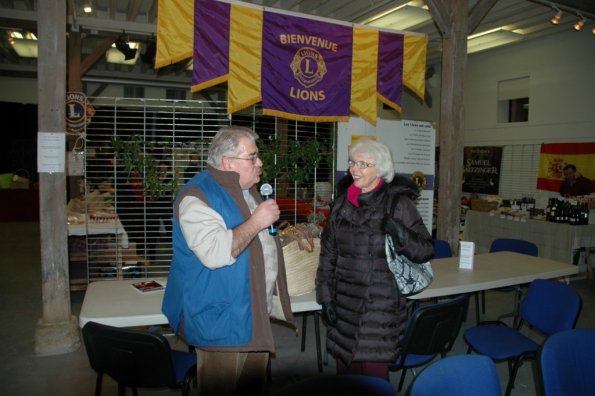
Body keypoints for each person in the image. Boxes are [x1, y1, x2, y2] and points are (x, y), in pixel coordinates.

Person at [162, 126, 294, 396]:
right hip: (220, 321)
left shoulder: (246, 189)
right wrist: (258, 221)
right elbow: (215, 254)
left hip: (252, 314)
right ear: (227, 163)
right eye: (253, 157)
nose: (260, 163)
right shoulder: (197, 197)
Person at [315, 138, 434, 380]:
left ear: (380, 169)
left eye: (363, 164)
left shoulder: (398, 204)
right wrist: (326, 298)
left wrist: (400, 232)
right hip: (344, 306)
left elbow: (425, 250)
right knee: (346, 377)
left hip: (380, 308)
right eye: (352, 162)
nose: (354, 169)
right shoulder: (340, 205)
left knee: (373, 379)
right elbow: (328, 255)